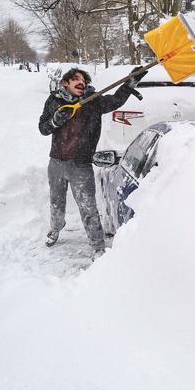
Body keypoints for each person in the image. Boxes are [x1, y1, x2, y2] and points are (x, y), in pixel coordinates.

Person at [38, 66, 147, 252]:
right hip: (56, 162)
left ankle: (97, 246)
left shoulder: (93, 102)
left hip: (81, 165)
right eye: (76, 80)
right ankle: (56, 228)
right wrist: (56, 120)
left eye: (84, 81)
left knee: (88, 208)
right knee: (56, 201)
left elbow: (115, 101)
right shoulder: (54, 100)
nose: (81, 83)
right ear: (66, 83)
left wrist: (129, 83)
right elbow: (43, 128)